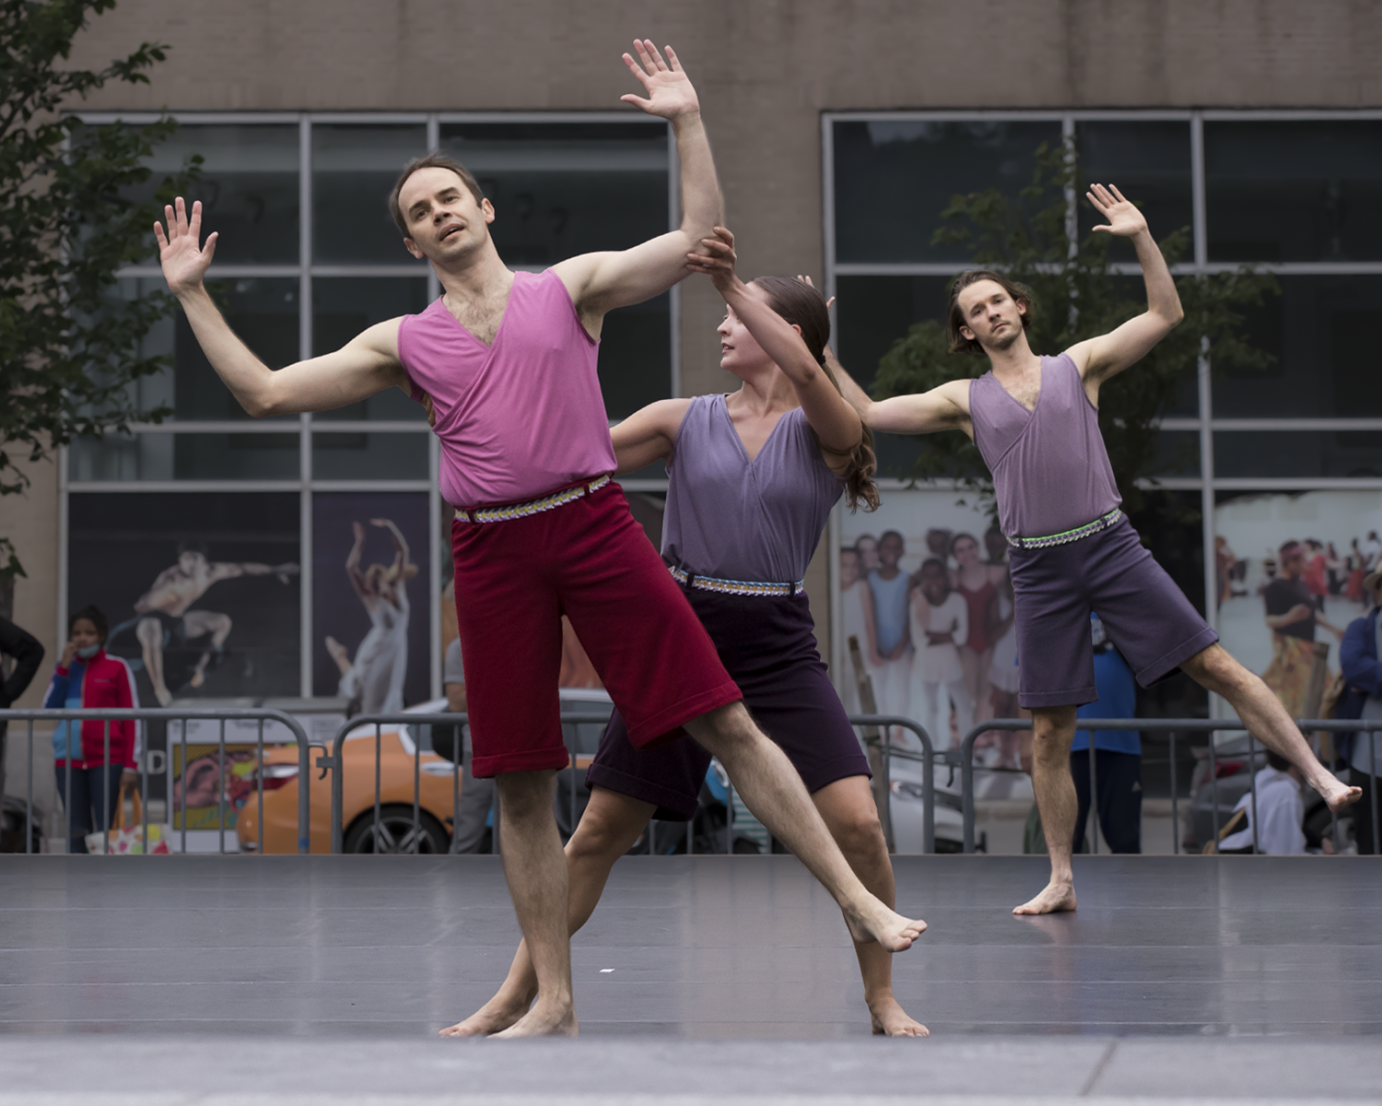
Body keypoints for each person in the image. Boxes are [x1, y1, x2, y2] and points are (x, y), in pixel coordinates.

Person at [155, 41, 921, 1038]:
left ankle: (856, 901)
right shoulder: (402, 342)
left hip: (593, 526)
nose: (437, 213)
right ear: (413, 246)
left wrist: (687, 117)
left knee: (722, 718)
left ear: (483, 211)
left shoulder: (567, 289)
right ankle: (551, 997)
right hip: (489, 550)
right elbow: (261, 392)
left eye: (448, 197)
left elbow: (694, 233)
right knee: (520, 780)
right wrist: (190, 292)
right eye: (418, 211)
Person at [831, 182, 1361, 914]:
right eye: (973, 311)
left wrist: (1141, 236)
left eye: (996, 301)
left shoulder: (1077, 366)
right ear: (968, 334)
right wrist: (818, 354)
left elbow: (1165, 314)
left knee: (1216, 665)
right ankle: (1061, 877)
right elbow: (864, 414)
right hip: (1040, 567)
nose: (989, 313)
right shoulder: (964, 400)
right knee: (1050, 731)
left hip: (1110, 547)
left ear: (1019, 308)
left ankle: (1318, 775)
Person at [446, 242, 927, 1038]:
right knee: (599, 832)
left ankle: (882, 998)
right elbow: (572, 454)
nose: (723, 329)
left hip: (775, 641)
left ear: (784, 331)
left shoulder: (825, 428)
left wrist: (743, 287)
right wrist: (490, 395)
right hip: (682, 628)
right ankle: (516, 994)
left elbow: (812, 377)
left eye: (737, 319)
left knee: (860, 824)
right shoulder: (683, 419)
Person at [119, 548, 299, 706]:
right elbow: (143, 605)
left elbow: (242, 568)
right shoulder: (171, 578)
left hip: (177, 622)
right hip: (152, 619)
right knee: (152, 629)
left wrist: (276, 569)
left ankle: (200, 667)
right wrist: (165, 596)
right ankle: (160, 689)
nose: (189, 563)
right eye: (186, 558)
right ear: (180, 559)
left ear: (203, 561)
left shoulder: (210, 572)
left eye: (194, 558)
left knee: (222, 622)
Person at [41, 606, 140, 853]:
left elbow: (132, 718)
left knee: (106, 829)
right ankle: (76, 888)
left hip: (108, 761)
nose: (82, 638)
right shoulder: (64, 668)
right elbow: (48, 708)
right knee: (76, 828)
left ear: (102, 635)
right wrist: (63, 669)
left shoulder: (117, 667)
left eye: (89, 633)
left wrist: (130, 764)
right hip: (68, 762)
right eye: (76, 633)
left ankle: (106, 887)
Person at [324, 519, 416, 716]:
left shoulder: (397, 588)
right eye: (372, 581)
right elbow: (351, 567)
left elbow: (402, 551)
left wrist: (391, 527)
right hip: (378, 647)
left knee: (390, 694)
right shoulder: (372, 598)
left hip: (395, 646)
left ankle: (340, 655)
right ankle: (340, 656)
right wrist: (359, 542)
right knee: (362, 686)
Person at [1071, 614, 1142, 855]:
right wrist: (1025, 740)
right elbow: (1025, 672)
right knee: (1066, 841)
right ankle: (1064, 892)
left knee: (1125, 839)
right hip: (1068, 744)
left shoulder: (1120, 603)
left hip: (1121, 742)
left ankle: (1130, 893)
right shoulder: (1056, 602)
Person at [1262, 540, 1345, 718]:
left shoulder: (1301, 584)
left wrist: (1334, 629)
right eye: (1299, 562)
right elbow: (1270, 620)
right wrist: (1290, 617)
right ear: (1288, 562)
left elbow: (1312, 614)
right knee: (1299, 693)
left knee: (1315, 688)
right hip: (1291, 650)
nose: (1303, 565)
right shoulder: (1276, 587)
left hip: (1307, 647)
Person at [1339, 566, 1382, 855]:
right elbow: (1353, 668)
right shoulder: (1360, 628)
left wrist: (1371, 679)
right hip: (1368, 760)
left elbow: (1363, 673)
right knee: (1370, 841)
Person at [910, 557, 971, 751]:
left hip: (951, 662)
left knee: (963, 705)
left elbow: (961, 637)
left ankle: (965, 744)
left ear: (945, 577)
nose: (933, 581)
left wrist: (933, 634)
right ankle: (931, 747)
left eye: (938, 576)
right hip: (926, 663)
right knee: (930, 707)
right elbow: (919, 640)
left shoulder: (957, 601)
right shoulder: (917, 604)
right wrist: (947, 634)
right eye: (928, 577)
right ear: (922, 579)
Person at [442, 634, 495, 854]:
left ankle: (517, 883)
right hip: (480, 745)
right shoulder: (459, 646)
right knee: (469, 825)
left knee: (518, 825)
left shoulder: (517, 637)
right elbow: (456, 703)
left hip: (521, 742)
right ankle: (455, 881)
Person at [950, 532, 1005, 732]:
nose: (967, 553)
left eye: (970, 547)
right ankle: (970, 733)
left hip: (990, 641)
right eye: (960, 550)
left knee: (985, 692)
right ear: (955, 556)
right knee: (970, 692)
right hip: (967, 644)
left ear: (978, 548)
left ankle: (979, 735)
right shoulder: (953, 579)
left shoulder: (994, 572)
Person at [1216, 752, 1307, 856]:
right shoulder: (1284, 791)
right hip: (1241, 862)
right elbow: (1284, 852)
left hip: (1238, 858)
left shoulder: (1267, 780)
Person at [865, 530, 913, 725]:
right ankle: (884, 730)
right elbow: (869, 616)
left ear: (902, 551)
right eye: (887, 546)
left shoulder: (908, 579)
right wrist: (874, 645)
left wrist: (902, 644)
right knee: (878, 689)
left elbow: (911, 616)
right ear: (879, 550)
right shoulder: (870, 579)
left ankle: (900, 731)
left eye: (896, 547)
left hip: (903, 646)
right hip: (877, 645)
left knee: (902, 688)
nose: (891, 551)